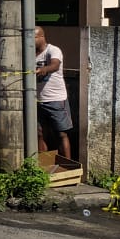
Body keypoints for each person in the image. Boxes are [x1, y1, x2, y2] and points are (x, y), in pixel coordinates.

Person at [35, 26, 72, 159]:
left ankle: (68, 165)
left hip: (56, 99)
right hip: (38, 100)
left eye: (33, 38)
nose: (30, 42)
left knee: (61, 133)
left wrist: (44, 69)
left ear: (41, 37)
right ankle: (43, 165)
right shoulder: (30, 54)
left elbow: (55, 65)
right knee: (40, 133)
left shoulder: (53, 50)